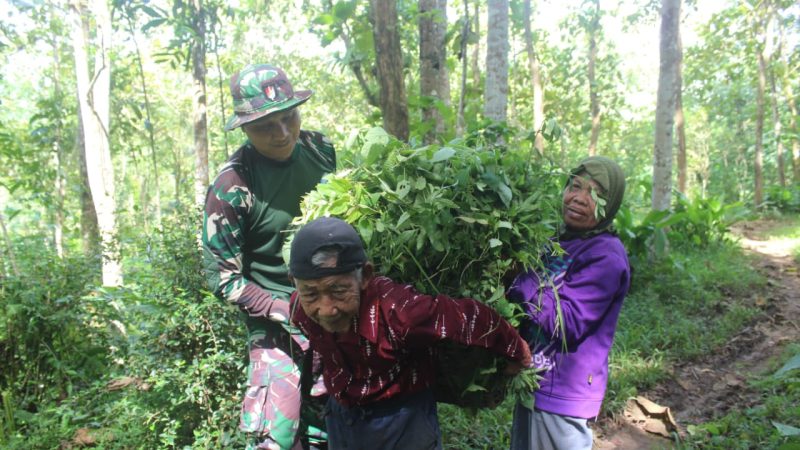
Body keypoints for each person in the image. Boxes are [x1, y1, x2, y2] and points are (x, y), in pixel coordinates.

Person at [287, 217, 533, 450]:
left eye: (339, 291)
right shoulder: (300, 311)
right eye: (311, 294)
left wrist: (516, 350)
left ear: (366, 276)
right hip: (344, 415)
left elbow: (469, 317)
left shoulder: (400, 312)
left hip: (402, 417)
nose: (327, 309)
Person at [202, 64, 335, 450]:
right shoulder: (233, 187)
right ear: (244, 128)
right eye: (265, 126)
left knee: (334, 427)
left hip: (336, 312)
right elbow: (223, 279)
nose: (282, 133)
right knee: (275, 438)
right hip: (277, 323)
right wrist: (288, 311)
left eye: (289, 117)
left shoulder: (320, 150)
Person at [506, 156, 631, 450]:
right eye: (575, 186)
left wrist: (521, 276)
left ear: (609, 204)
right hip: (534, 384)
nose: (579, 198)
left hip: (562, 395)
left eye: (595, 193)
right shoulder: (555, 240)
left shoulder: (605, 256)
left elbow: (567, 322)